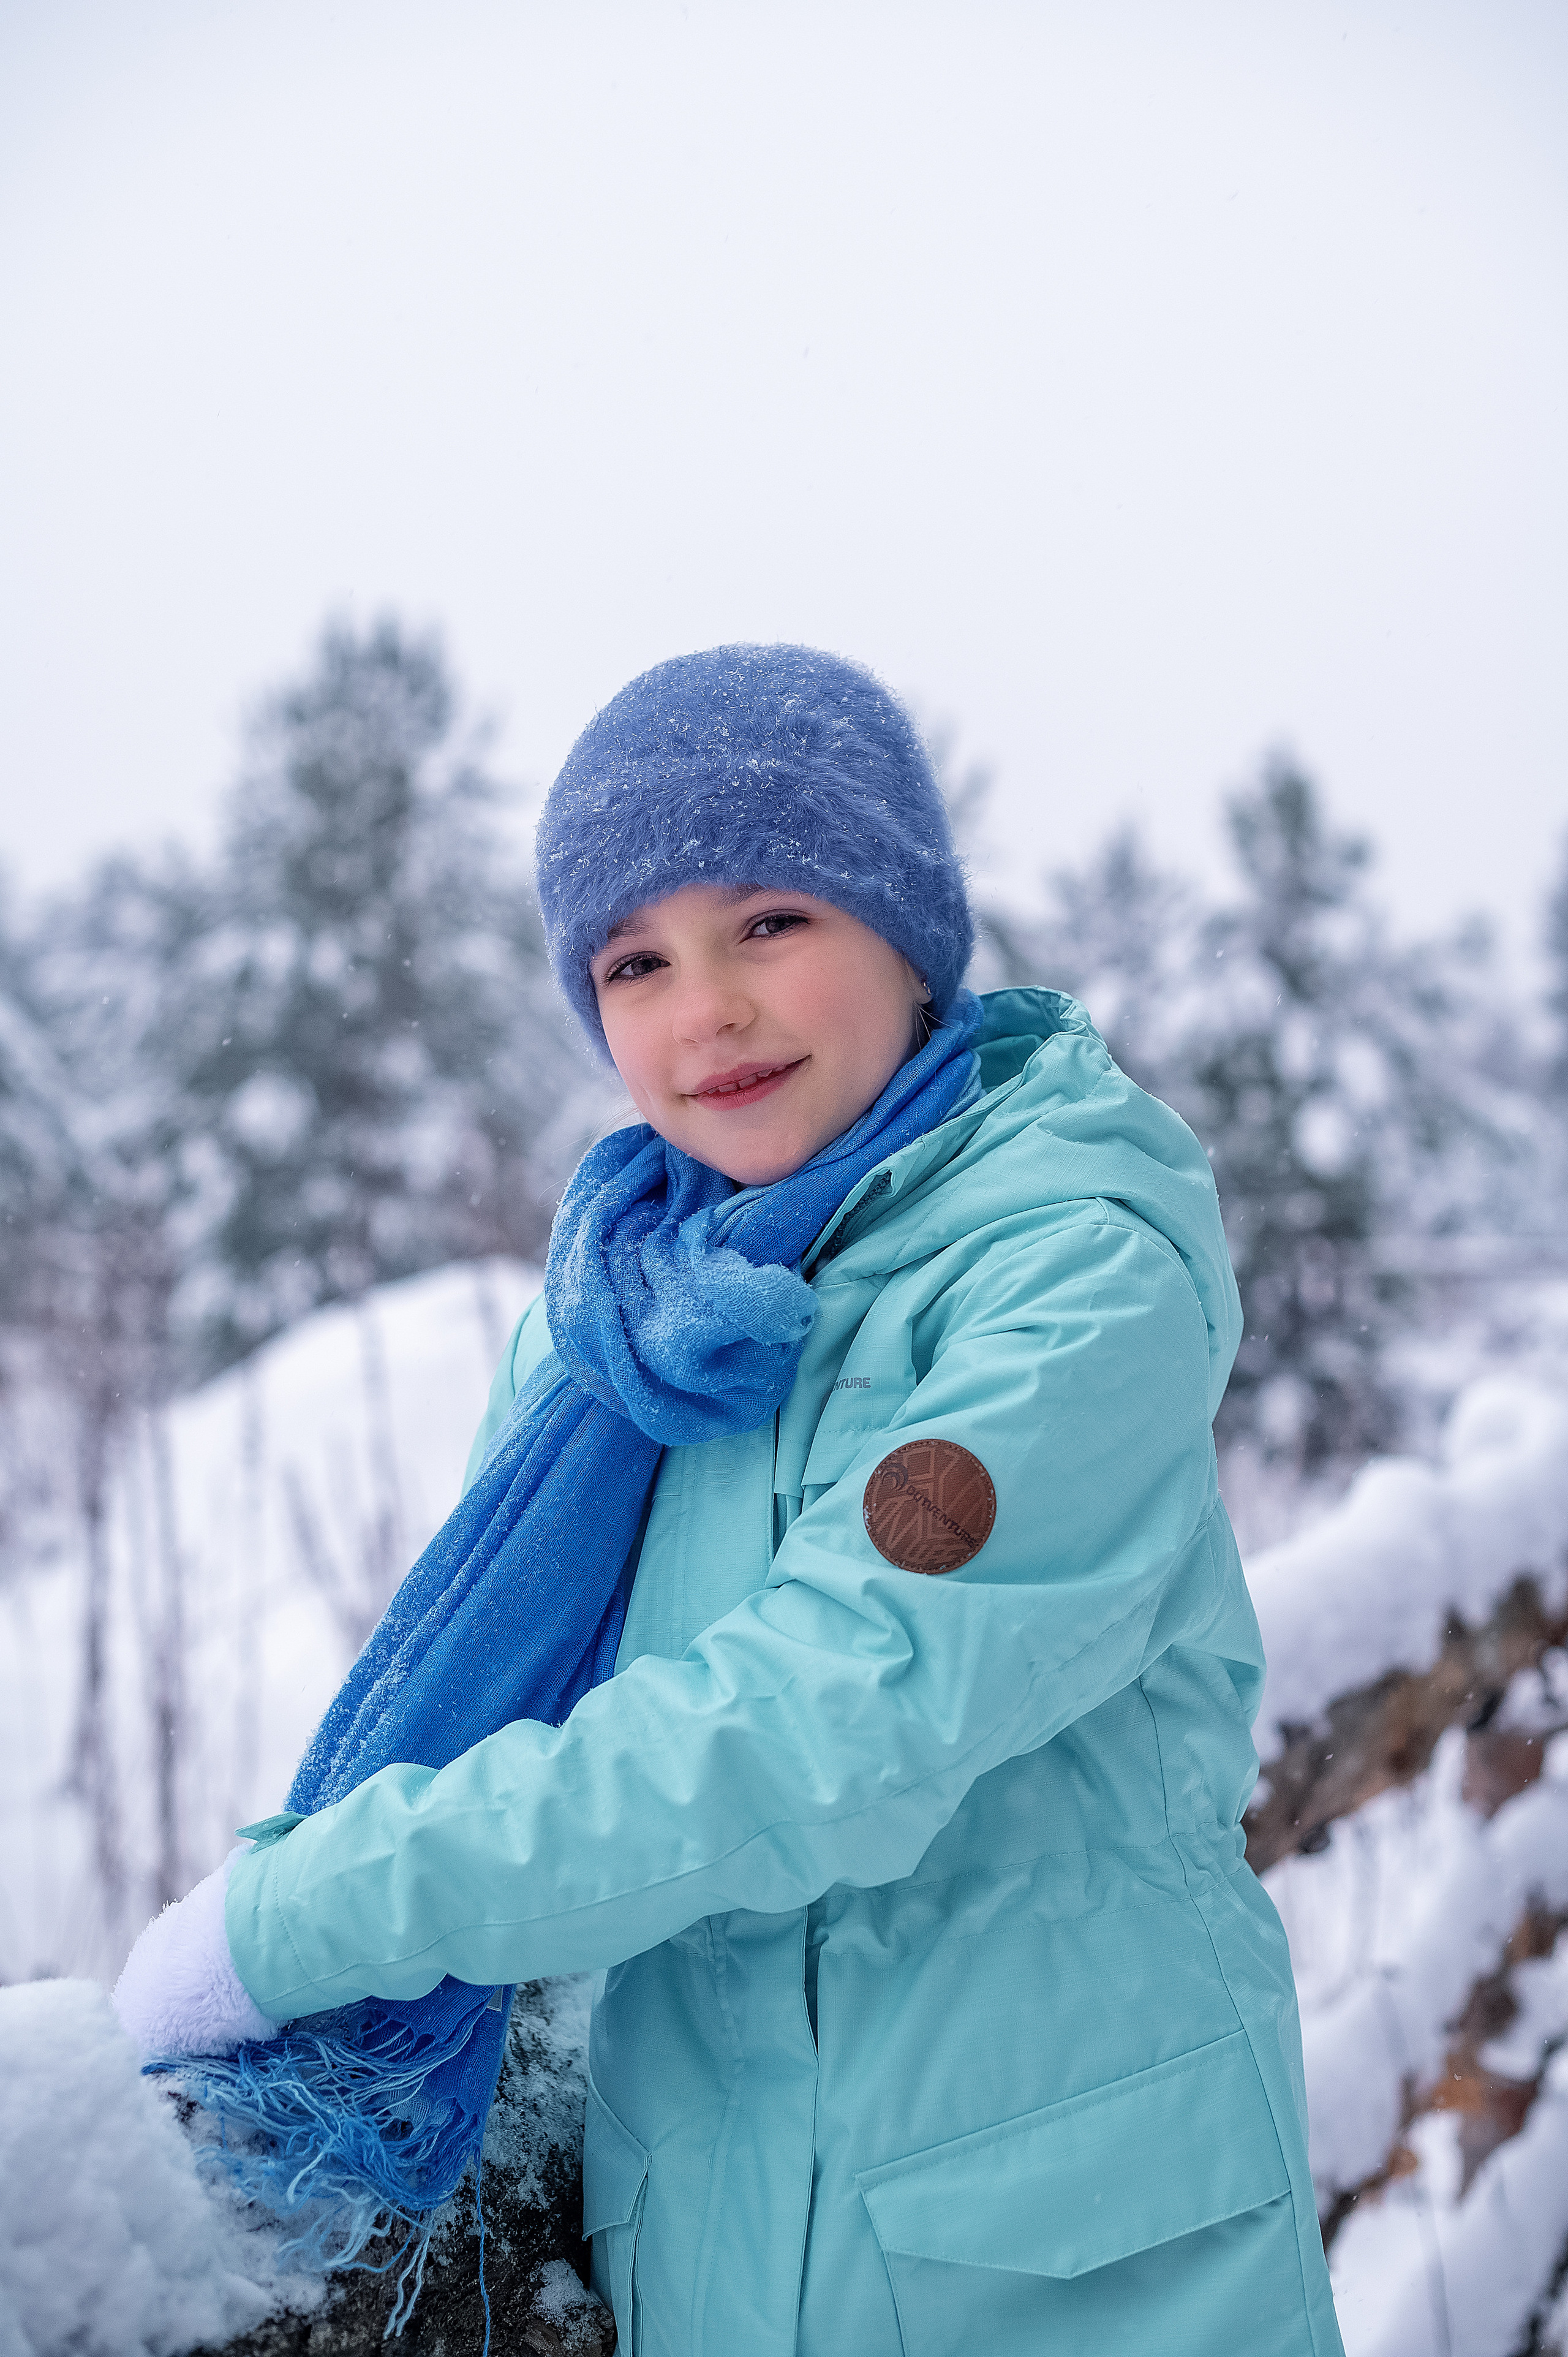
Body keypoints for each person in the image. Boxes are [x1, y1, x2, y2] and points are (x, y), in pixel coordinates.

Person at [115, 645, 1343, 2356]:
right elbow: (517, 1742)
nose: (705, 1011)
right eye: (635, 961)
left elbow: (825, 1725)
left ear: (905, 929)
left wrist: (300, 1916)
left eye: (770, 921)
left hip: (1070, 2276)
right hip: (711, 2264)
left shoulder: (1072, 1275)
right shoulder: (617, 1327)